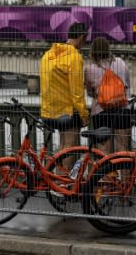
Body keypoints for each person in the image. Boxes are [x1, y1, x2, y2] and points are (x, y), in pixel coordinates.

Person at [40, 22, 89, 169]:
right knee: (69, 148)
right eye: (85, 40)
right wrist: (84, 114)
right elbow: (77, 91)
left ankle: (57, 181)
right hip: (67, 113)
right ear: (81, 37)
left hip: (49, 111)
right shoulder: (74, 57)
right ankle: (63, 186)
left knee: (62, 146)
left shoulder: (48, 55)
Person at [83, 37, 131, 154]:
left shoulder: (89, 69)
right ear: (108, 49)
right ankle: (124, 172)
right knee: (123, 149)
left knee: (104, 151)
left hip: (101, 112)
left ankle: (108, 172)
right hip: (122, 111)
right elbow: (127, 85)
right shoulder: (120, 63)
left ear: (93, 51)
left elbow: (90, 93)